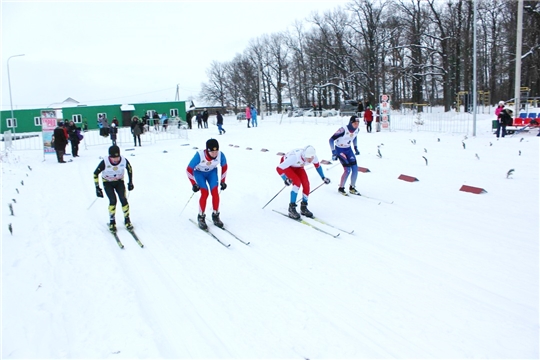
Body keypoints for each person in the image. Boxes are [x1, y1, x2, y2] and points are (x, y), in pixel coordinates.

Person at [276, 145, 331, 219]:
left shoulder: (313, 157)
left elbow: (317, 166)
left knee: (306, 184)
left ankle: (303, 207)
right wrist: (285, 179)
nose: (310, 160)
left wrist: (323, 177)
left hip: (298, 166)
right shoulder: (294, 157)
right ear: (304, 155)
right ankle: (291, 208)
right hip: (287, 166)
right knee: (297, 183)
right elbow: (279, 168)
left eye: (311, 158)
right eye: (308, 158)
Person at [186, 138, 228, 230]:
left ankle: (216, 215)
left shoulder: (221, 155)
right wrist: (193, 184)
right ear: (207, 150)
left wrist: (223, 181)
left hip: (212, 173)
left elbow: (224, 167)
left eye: (216, 151)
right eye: (212, 152)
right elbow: (189, 170)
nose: (214, 154)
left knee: (215, 193)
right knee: (205, 193)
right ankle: (201, 217)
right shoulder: (199, 155)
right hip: (199, 173)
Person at [94, 145, 134, 232]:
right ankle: (112, 222)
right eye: (113, 158)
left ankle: (127, 220)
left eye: (117, 157)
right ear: (109, 156)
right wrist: (97, 188)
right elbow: (95, 173)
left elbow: (130, 169)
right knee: (113, 201)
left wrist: (130, 182)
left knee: (123, 200)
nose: (115, 159)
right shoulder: (105, 162)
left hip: (119, 182)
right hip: (108, 183)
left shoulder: (123, 160)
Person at [329, 116, 361, 195]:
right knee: (347, 170)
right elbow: (331, 140)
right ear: (350, 123)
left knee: (355, 169)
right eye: (355, 123)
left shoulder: (357, 130)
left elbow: (354, 137)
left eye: (358, 123)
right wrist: (333, 152)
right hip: (340, 150)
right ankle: (341, 188)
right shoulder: (343, 129)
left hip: (348, 150)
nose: (356, 125)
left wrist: (356, 148)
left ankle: (352, 187)